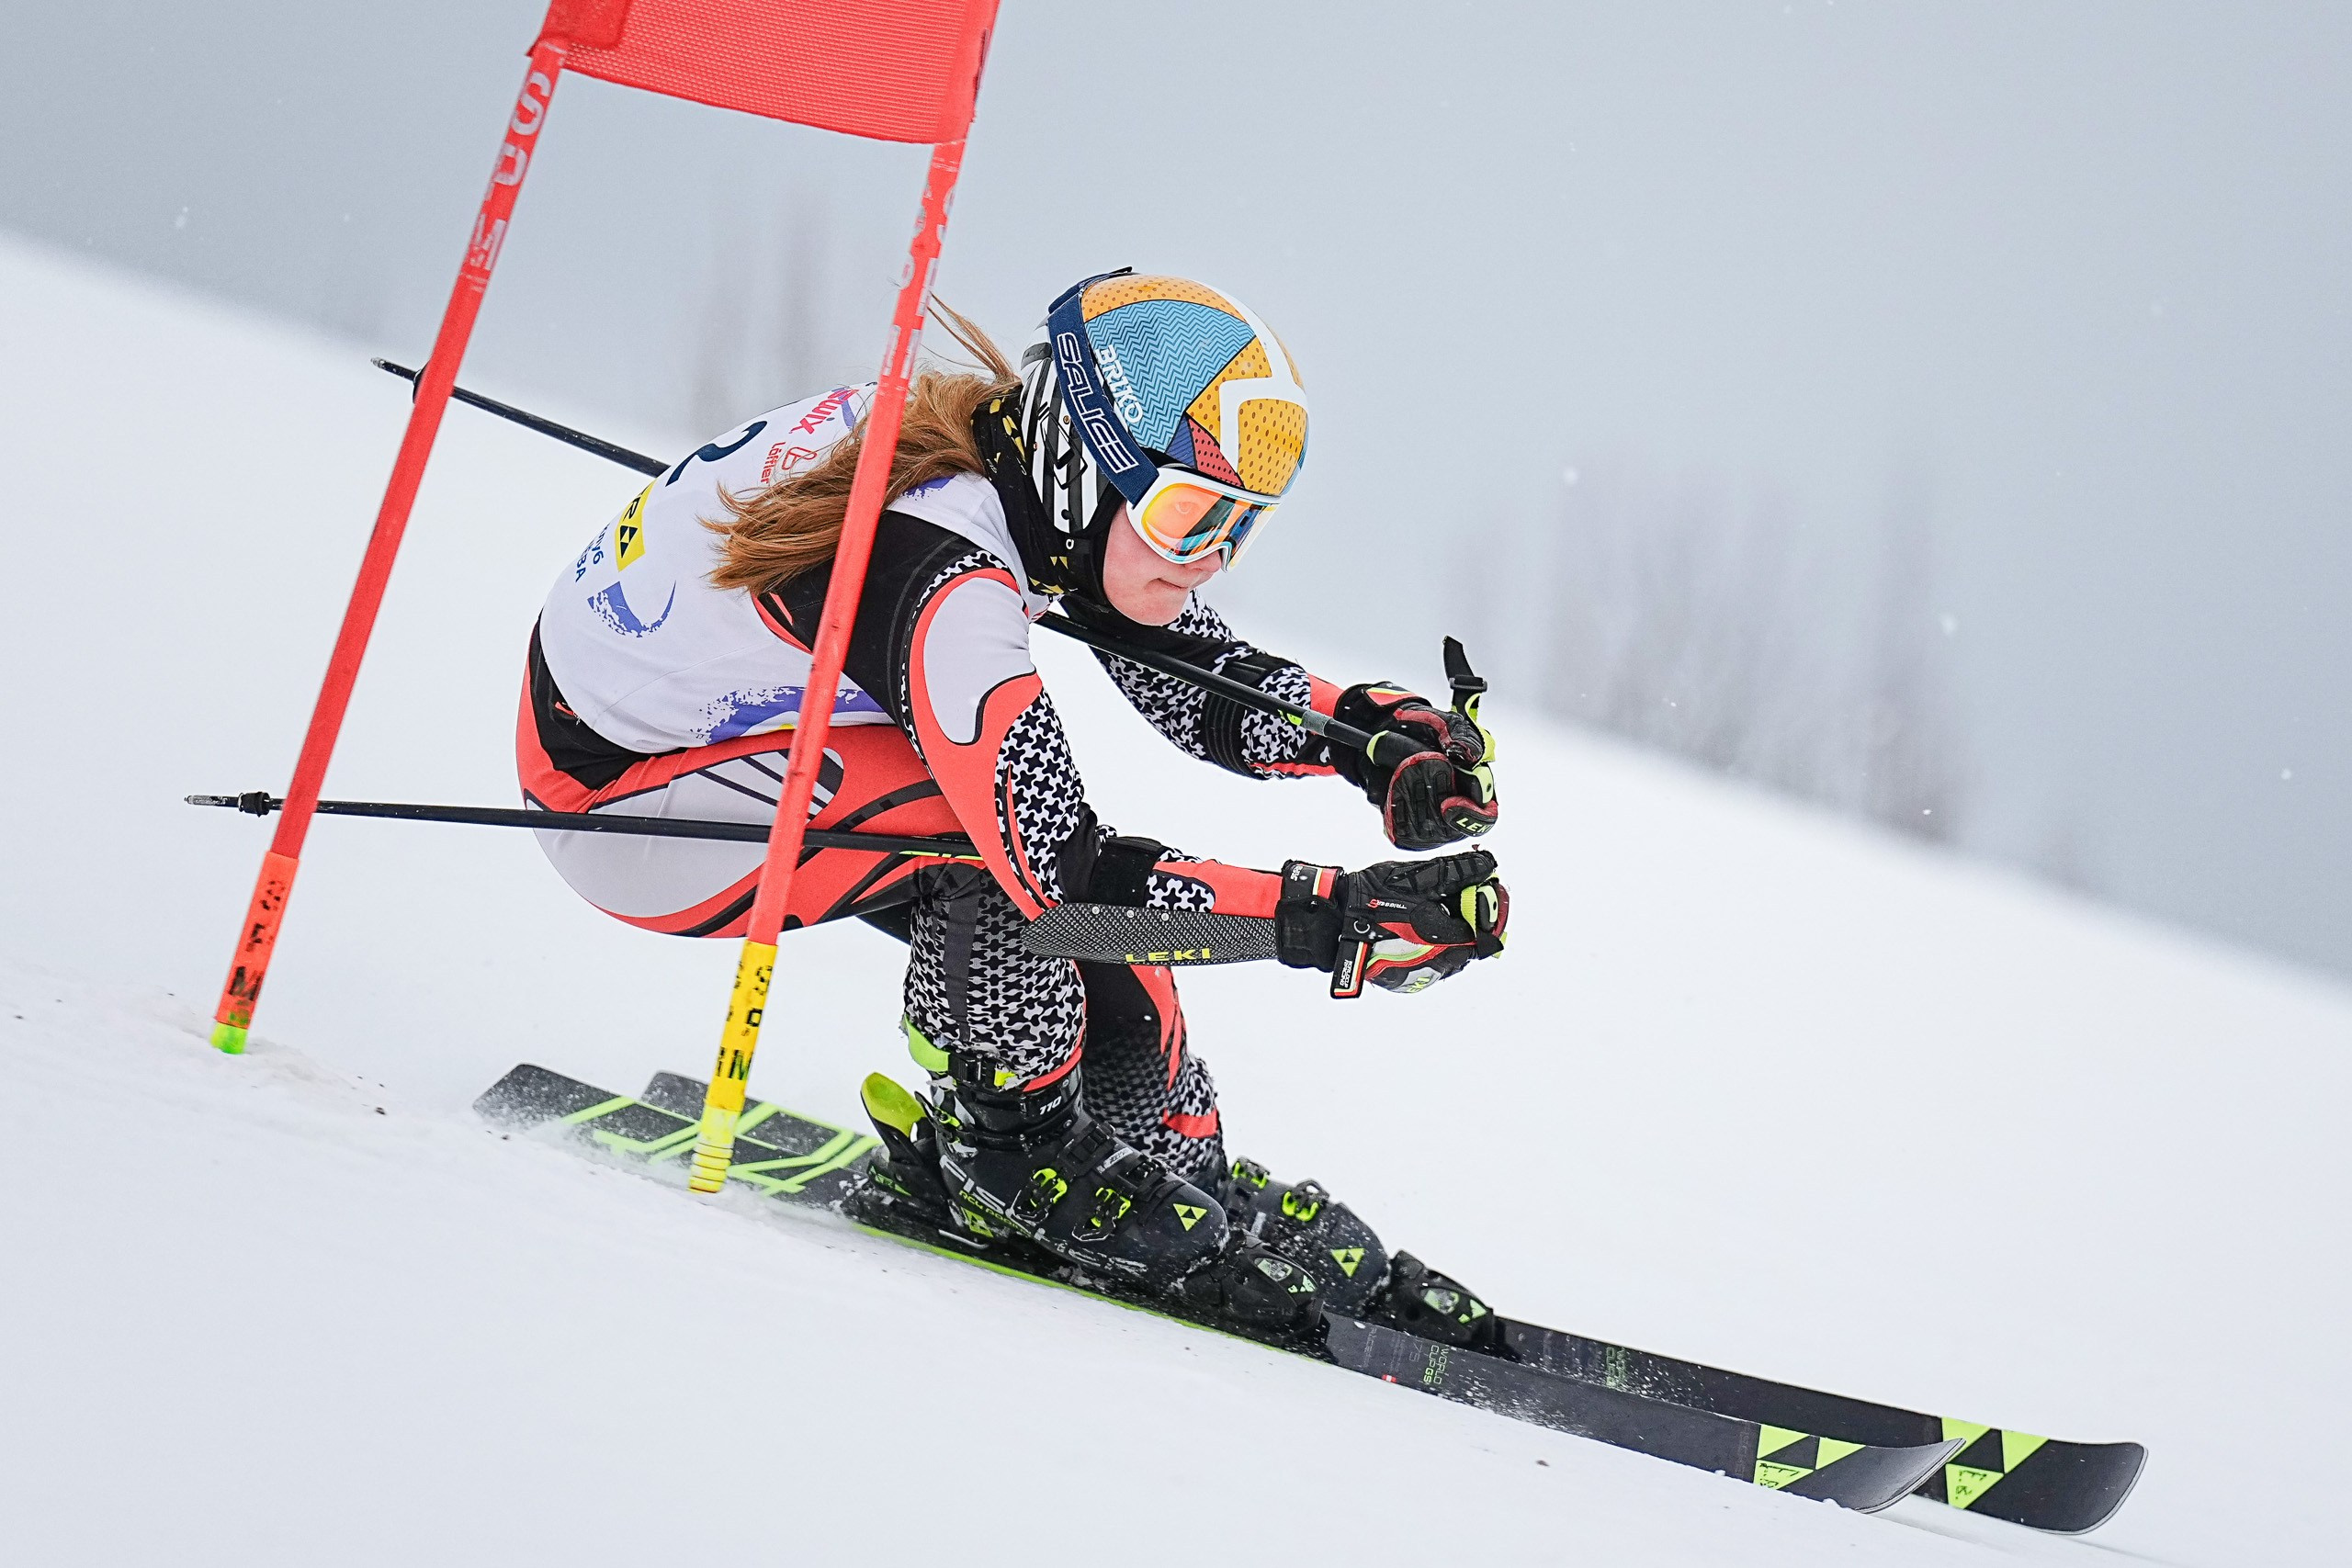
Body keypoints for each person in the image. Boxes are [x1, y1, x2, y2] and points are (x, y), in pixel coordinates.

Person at [519, 271, 1510, 1337]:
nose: (1212, 557)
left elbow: (1178, 661)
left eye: (1237, 526)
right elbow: (1067, 885)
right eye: (1186, 514)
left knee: (1100, 941)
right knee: (1001, 848)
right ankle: (1010, 1150)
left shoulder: (1022, 470)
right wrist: (1333, 916)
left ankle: (1168, 1161)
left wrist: (1368, 737)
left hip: (705, 743)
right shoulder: (943, 574)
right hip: (625, 803)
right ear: (1087, 471)